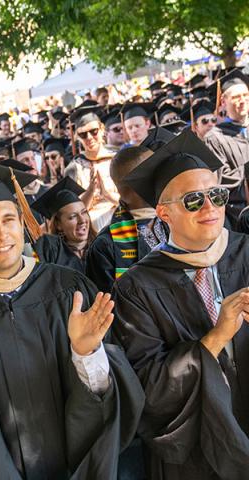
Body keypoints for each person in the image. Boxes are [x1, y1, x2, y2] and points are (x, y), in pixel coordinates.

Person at [0, 160, 144, 479]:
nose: (1, 234)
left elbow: (115, 393)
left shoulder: (68, 289)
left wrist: (87, 354)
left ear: (22, 224)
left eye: (9, 219)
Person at [112, 129, 249, 479]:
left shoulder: (246, 252)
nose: (210, 208)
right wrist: (217, 337)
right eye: (192, 200)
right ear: (163, 212)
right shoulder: (136, 287)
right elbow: (149, 387)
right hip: (196, 451)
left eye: (216, 195)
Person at [87, 146, 168, 293]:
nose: (163, 176)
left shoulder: (176, 221)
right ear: (135, 185)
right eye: (154, 171)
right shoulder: (104, 246)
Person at [204, 69, 249, 227]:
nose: (242, 100)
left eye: (245, 95)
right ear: (223, 101)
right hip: (240, 217)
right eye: (236, 97)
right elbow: (219, 181)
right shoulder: (215, 138)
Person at [65, 107, 119, 232]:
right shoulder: (74, 168)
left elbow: (130, 200)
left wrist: (108, 195)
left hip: (120, 219)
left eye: (93, 131)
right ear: (77, 137)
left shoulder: (117, 158)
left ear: (102, 129)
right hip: (92, 227)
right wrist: (90, 191)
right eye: (83, 135)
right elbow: (74, 210)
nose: (89, 137)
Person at [31, 177, 96, 272]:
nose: (82, 220)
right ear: (58, 225)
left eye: (84, 212)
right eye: (72, 216)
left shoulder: (101, 245)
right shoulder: (52, 258)